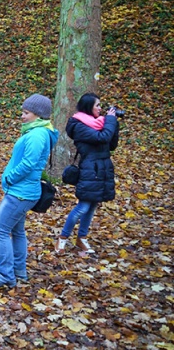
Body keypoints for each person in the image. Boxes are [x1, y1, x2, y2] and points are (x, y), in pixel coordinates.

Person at [0, 94, 58, 288]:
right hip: (23, 191)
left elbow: (29, 163)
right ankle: (19, 271)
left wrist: (10, 177)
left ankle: (4, 275)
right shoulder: (37, 132)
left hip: (20, 192)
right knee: (17, 231)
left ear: (38, 115)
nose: (22, 116)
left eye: (26, 113)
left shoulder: (37, 134)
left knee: (0, 230)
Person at [55, 93, 119, 255]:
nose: (100, 108)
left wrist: (114, 124)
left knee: (92, 206)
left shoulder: (99, 123)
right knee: (82, 207)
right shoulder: (78, 125)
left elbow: (111, 144)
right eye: (97, 105)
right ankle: (62, 238)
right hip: (90, 170)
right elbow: (102, 137)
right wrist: (110, 121)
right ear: (88, 106)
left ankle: (81, 238)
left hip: (102, 169)